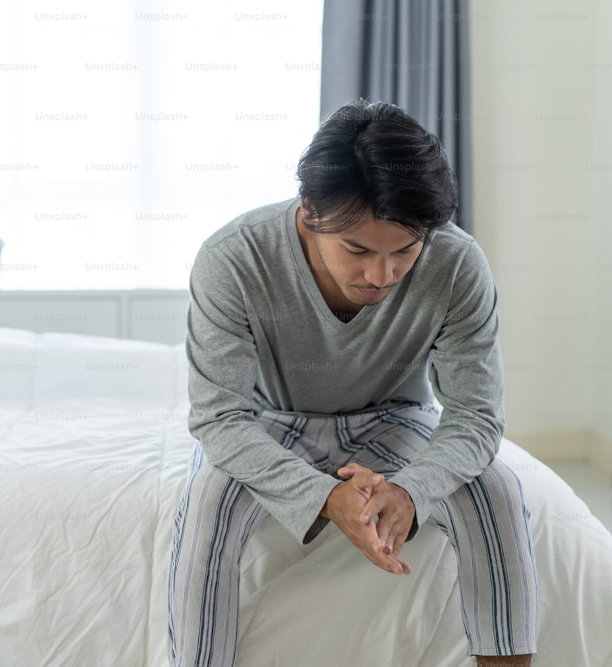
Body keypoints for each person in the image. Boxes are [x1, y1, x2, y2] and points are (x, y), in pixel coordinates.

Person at [168, 100, 536, 667]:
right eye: (358, 250)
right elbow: (220, 418)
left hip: (396, 418)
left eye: (405, 252)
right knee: (206, 502)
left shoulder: (459, 264)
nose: (381, 276)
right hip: (269, 424)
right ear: (311, 211)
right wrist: (324, 498)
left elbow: (476, 415)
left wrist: (412, 489)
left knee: (499, 491)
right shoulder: (232, 259)